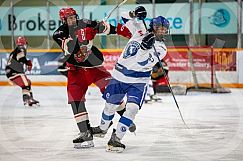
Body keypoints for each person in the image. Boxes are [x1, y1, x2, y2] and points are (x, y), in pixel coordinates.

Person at [52, 7, 134, 149]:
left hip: (94, 68)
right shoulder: (58, 33)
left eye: (73, 17)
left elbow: (107, 28)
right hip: (75, 72)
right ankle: (85, 134)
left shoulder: (84, 22)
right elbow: (70, 48)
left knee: (112, 91)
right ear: (63, 20)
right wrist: (81, 36)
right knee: (75, 100)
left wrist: (126, 33)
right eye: (69, 18)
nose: (72, 20)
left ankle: (125, 116)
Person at [92, 9, 170, 152]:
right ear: (152, 26)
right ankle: (102, 129)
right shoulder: (140, 29)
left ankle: (116, 139)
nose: (162, 31)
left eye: (164, 29)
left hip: (138, 81)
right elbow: (123, 15)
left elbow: (141, 62)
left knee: (132, 108)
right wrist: (134, 13)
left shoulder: (161, 48)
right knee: (110, 105)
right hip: (119, 76)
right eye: (159, 28)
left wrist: (144, 48)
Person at [5, 36, 39, 107]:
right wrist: (28, 63)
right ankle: (27, 100)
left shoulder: (15, 50)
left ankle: (29, 98)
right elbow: (21, 58)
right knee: (26, 84)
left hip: (11, 72)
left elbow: (18, 60)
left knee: (27, 82)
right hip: (14, 72)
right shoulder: (21, 48)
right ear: (24, 43)